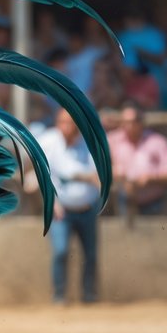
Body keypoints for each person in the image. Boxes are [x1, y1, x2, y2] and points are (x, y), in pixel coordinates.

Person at [34, 108, 102, 304]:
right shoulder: (48, 141)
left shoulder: (90, 143)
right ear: (57, 122)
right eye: (64, 122)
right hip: (60, 209)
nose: (68, 127)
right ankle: (59, 296)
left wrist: (92, 182)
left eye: (72, 123)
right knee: (61, 251)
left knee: (90, 255)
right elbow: (42, 175)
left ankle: (89, 295)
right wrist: (51, 202)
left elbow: (99, 176)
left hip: (88, 208)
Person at [108, 103, 167, 218]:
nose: (129, 126)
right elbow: (97, 163)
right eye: (125, 122)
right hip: (123, 201)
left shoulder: (157, 142)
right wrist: (113, 172)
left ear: (141, 123)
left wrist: (151, 178)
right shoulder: (113, 140)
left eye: (133, 122)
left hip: (153, 203)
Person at [117, 9, 167, 110]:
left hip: (156, 84)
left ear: (139, 20)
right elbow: (117, 57)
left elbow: (161, 59)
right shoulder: (123, 35)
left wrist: (140, 52)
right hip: (131, 85)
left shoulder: (154, 34)